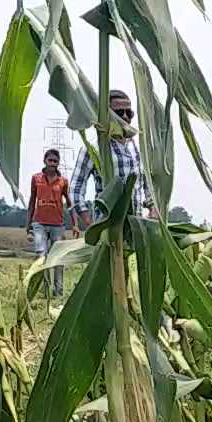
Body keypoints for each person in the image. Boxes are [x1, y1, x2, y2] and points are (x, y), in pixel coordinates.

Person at [70, 89, 157, 228]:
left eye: (129, 113)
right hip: (107, 227)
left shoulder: (140, 148)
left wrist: (153, 208)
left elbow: (148, 185)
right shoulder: (94, 148)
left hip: (136, 227)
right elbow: (76, 188)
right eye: (119, 112)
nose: (125, 116)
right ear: (106, 114)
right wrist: (90, 223)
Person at [27, 148, 72, 297]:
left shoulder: (63, 181)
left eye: (55, 161)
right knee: (41, 255)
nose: (52, 163)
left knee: (58, 257)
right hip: (39, 223)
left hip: (57, 225)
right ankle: (44, 290)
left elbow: (70, 203)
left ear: (58, 163)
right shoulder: (36, 178)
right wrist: (28, 224)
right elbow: (32, 201)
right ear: (44, 161)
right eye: (50, 160)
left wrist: (75, 223)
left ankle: (58, 291)